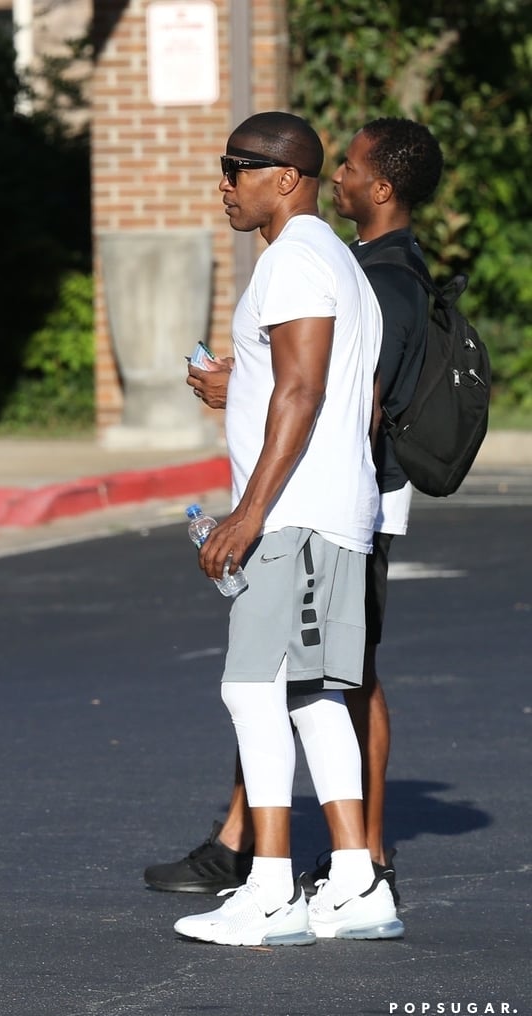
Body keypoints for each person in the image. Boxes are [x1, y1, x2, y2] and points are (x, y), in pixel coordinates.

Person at [149, 118, 443, 907]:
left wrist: (247, 514)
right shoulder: (337, 264)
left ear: (286, 177)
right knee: (312, 695)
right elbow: (327, 389)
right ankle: (357, 883)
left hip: (296, 517)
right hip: (324, 510)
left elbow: (304, 390)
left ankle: (269, 891)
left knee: (253, 690)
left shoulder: (298, 261)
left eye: (237, 168)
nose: (224, 184)